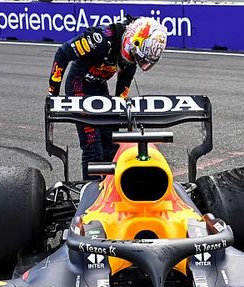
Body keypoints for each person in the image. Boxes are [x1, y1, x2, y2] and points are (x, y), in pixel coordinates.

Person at [47, 16, 168, 178]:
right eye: (137, 56)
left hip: (99, 88)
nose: (136, 61)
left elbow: (124, 83)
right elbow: (63, 53)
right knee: (93, 146)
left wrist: (119, 111)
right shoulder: (100, 38)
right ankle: (90, 193)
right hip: (79, 88)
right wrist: (53, 94)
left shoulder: (131, 54)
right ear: (133, 40)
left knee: (111, 142)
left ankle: (111, 188)